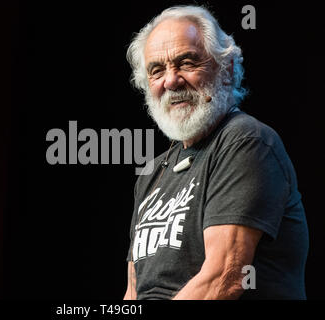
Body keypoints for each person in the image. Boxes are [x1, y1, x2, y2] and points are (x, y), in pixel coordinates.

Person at [124, 5, 309, 300]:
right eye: (156, 70)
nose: (171, 81)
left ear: (227, 70)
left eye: (186, 63)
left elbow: (225, 278)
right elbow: (134, 290)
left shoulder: (246, 141)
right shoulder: (152, 173)